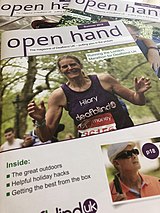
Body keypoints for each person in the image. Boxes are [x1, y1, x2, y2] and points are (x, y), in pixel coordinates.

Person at [27, 55, 151, 141]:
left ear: (80, 65)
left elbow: (137, 101)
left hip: (123, 134)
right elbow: (45, 137)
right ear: (60, 71)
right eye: (65, 67)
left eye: (73, 64)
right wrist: (40, 121)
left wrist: (139, 93)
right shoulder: (58, 96)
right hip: (93, 143)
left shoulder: (104, 80)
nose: (70, 68)